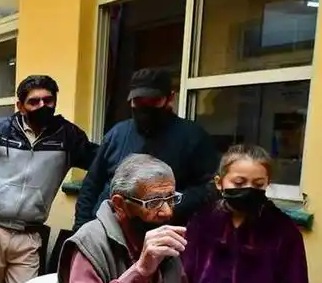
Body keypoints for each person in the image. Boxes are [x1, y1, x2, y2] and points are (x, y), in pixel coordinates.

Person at [44, 154, 220, 283]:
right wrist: (140, 272)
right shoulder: (91, 241)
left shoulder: (161, 240)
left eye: (171, 199)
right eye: (154, 202)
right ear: (120, 204)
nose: (166, 212)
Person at [0, 74, 97, 283]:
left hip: (28, 234)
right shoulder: (0, 129)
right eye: (34, 101)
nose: (42, 106)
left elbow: (99, 162)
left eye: (48, 100)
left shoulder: (68, 136)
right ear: (20, 106)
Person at [183, 144, 308, 283]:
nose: (248, 190)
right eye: (239, 183)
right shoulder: (201, 224)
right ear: (220, 182)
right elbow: (184, 281)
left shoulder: (282, 231)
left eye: (258, 184)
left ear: (267, 183)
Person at [74, 68, 219, 230]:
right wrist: (81, 227)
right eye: (139, 102)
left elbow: (208, 187)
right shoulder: (117, 134)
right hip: (108, 230)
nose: (146, 107)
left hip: (162, 232)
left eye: (154, 101)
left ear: (170, 98)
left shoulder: (193, 137)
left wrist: (165, 205)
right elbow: (92, 184)